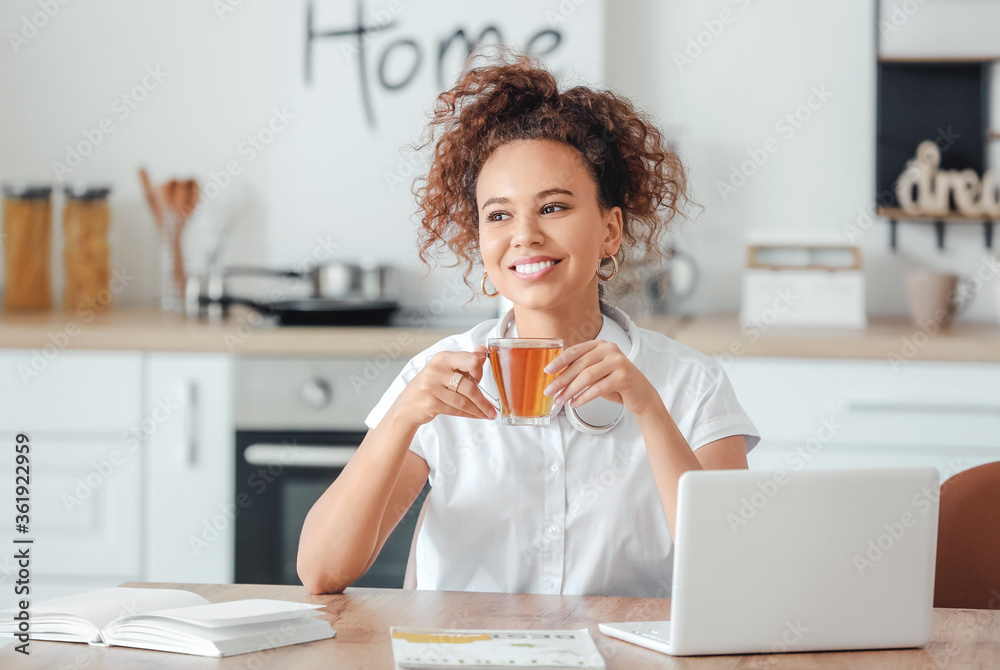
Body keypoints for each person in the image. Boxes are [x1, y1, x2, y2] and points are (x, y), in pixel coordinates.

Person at [297, 53, 760, 598]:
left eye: (554, 207)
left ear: (611, 231)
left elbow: (732, 580)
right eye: (498, 215)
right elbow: (322, 571)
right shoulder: (438, 380)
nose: (525, 236)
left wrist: (649, 409)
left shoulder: (690, 384)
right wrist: (403, 419)